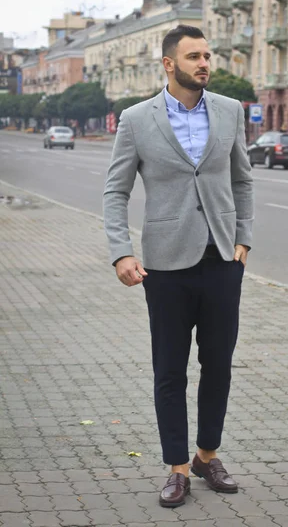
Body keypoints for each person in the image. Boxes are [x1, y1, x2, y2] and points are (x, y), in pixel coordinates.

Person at [103, 25, 254, 508]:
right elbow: (115, 190)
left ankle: (208, 456)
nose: (204, 63)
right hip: (166, 265)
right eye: (193, 56)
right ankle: (177, 468)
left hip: (222, 260)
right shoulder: (135, 119)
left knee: (219, 366)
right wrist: (121, 250)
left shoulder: (230, 111)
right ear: (169, 64)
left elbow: (243, 180)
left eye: (207, 54)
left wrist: (244, 240)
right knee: (170, 369)